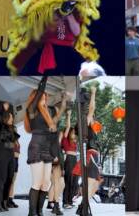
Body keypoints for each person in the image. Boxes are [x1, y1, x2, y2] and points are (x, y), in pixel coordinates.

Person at [24, 76, 57, 216]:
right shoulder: (32, 110)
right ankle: (32, 213)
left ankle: (39, 211)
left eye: (45, 97)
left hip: (46, 148)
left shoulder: (46, 113)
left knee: (46, 183)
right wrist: (45, 77)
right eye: (42, 96)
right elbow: (39, 93)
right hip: (36, 146)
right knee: (37, 182)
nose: (44, 98)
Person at [72, 86, 102, 215]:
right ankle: (83, 208)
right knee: (92, 183)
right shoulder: (86, 119)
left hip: (92, 155)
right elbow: (92, 109)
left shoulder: (85, 123)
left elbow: (74, 137)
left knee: (95, 184)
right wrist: (94, 93)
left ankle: (83, 206)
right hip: (90, 154)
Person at [0, 102, 20, 212]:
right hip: (3, 152)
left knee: (9, 178)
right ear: (6, 118)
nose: (12, 119)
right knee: (2, 178)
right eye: (10, 117)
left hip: (11, 154)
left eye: (12, 117)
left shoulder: (12, 128)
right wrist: (3, 110)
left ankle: (4, 201)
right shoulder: (1, 126)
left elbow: (14, 142)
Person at [46, 94, 68, 216]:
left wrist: (64, 99)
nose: (58, 114)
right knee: (53, 183)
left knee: (59, 183)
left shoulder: (56, 128)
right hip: (50, 157)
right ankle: (54, 205)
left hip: (57, 156)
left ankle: (55, 205)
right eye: (56, 112)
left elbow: (62, 110)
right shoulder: (48, 127)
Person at [61, 109, 78, 209]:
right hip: (69, 160)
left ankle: (70, 201)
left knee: (75, 182)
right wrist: (68, 116)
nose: (74, 134)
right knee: (68, 181)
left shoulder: (74, 142)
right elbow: (68, 126)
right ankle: (65, 202)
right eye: (73, 132)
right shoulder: (65, 140)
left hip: (75, 160)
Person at [7, 138, 20, 208]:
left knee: (13, 181)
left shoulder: (17, 140)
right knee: (9, 181)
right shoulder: (9, 139)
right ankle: (6, 200)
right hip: (11, 159)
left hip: (16, 160)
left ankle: (10, 199)